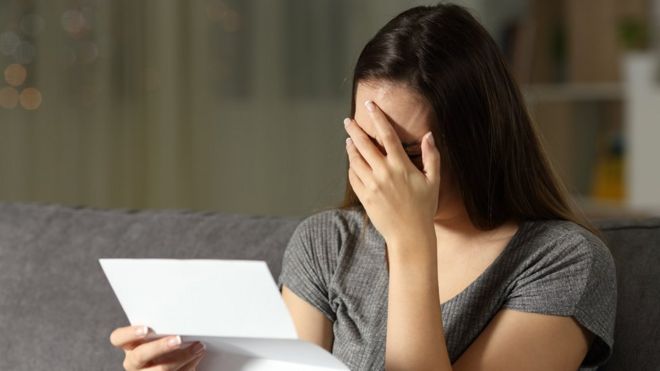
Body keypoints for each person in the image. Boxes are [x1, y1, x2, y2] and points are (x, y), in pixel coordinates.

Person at [109, 3, 616, 370]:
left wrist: (411, 243)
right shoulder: (328, 243)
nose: (382, 171)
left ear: (479, 139)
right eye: (367, 143)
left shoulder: (563, 261)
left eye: (408, 153)